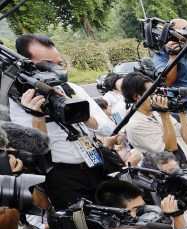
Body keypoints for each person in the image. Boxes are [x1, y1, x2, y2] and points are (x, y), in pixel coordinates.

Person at [8, 34, 115, 209]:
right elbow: (36, 150)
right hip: (63, 177)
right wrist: (37, 115)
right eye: (47, 65)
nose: (57, 71)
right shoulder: (19, 101)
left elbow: (108, 129)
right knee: (84, 227)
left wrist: (84, 116)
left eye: (60, 64)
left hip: (97, 165)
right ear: (27, 66)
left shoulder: (72, 89)